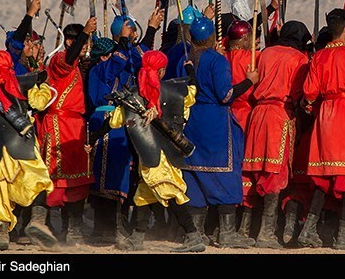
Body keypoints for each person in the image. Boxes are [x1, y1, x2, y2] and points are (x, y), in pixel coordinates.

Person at [111, 50, 206, 253]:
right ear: (162, 71)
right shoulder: (176, 92)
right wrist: (190, 69)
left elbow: (115, 121)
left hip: (150, 154)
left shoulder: (133, 95)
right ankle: (137, 236)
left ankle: (193, 235)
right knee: (145, 194)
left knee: (170, 192)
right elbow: (193, 91)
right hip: (168, 152)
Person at [177, 16, 259, 248]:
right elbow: (226, 95)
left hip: (192, 122)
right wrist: (249, 81)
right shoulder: (218, 61)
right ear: (212, 37)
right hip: (214, 122)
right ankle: (227, 233)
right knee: (224, 172)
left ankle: (196, 233)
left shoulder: (186, 59)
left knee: (195, 174)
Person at [297, 5, 345, 250]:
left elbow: (309, 93)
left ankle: (308, 230)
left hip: (325, 114)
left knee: (323, 174)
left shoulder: (318, 57)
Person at [0, 51, 58, 251]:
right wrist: (43, 86)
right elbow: (39, 103)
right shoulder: (21, 82)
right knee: (38, 181)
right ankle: (37, 221)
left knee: (0, 192)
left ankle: (3, 232)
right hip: (21, 143)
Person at [241, 20, 312, 248]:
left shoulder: (265, 53)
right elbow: (301, 93)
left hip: (257, 114)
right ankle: (265, 233)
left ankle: (244, 230)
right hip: (280, 115)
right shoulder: (299, 58)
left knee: (254, 170)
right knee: (274, 172)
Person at [39, 17, 97, 243]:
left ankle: (73, 228)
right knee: (57, 179)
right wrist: (85, 32)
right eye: (82, 43)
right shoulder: (59, 60)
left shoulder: (77, 63)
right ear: (71, 42)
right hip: (59, 127)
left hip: (76, 127)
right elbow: (70, 59)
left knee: (78, 180)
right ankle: (49, 226)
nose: (86, 47)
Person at [85, 37, 133, 245]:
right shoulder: (99, 70)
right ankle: (103, 228)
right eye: (111, 54)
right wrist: (122, 39)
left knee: (118, 177)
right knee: (102, 179)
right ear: (104, 57)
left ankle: (115, 226)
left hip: (118, 127)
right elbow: (116, 63)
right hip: (102, 125)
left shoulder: (118, 72)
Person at [4, 0, 45, 75]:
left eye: (31, 41)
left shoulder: (28, 64)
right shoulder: (13, 61)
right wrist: (31, 12)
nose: (31, 45)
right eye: (26, 42)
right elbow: (17, 40)